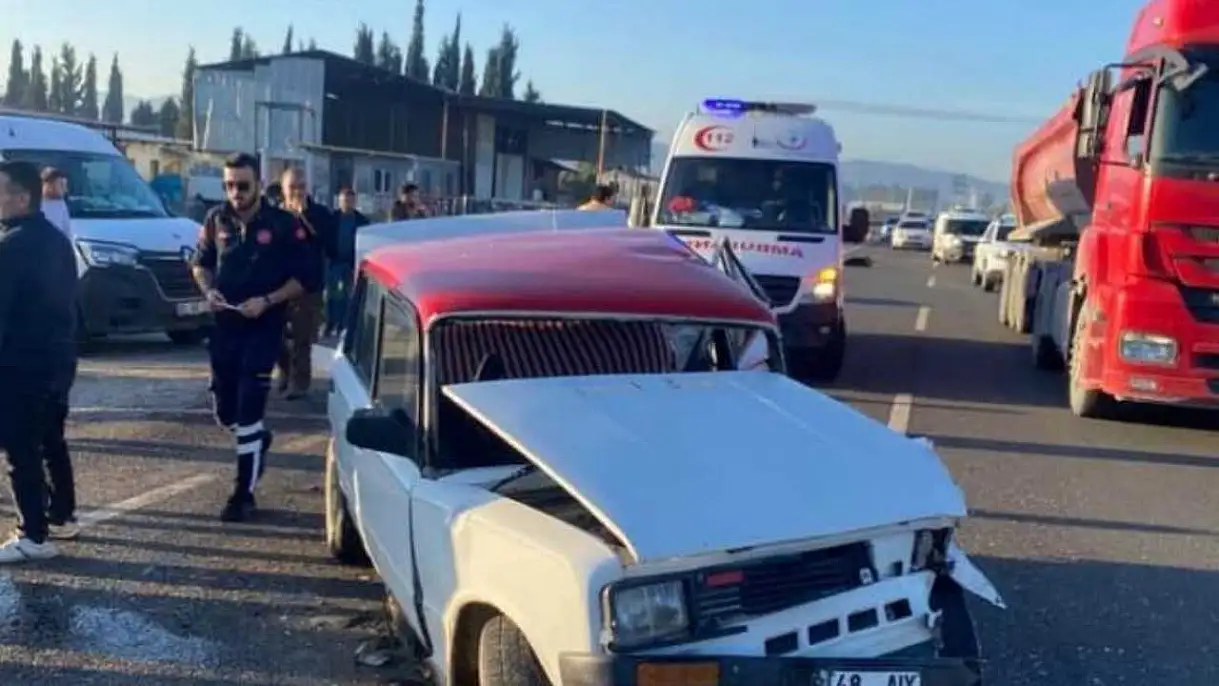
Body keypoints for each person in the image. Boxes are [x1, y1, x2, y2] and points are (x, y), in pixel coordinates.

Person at [190, 153, 314, 522]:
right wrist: (208, 291)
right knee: (226, 411)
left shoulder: (284, 225)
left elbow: (306, 278)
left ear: (259, 184)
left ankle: (243, 494)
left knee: (248, 410)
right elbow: (200, 264)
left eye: (242, 185)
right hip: (224, 327)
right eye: (228, 185)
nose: (235, 192)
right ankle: (258, 440)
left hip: (264, 329)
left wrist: (267, 301)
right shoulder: (216, 219)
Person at [0, 160, 79, 562]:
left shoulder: (11, 246)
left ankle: (33, 534)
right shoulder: (56, 240)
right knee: (49, 439)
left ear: (21, 197)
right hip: (58, 358)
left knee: (20, 448)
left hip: (21, 363)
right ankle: (61, 514)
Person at [276, 167, 335, 399]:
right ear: (283, 189)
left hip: (308, 287)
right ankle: (285, 372)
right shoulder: (275, 214)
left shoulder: (320, 214)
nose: (297, 192)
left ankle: (300, 383)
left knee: (303, 338)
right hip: (278, 286)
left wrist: (304, 218)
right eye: (292, 187)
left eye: (301, 187)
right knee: (276, 336)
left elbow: (329, 244)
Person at [326, 186, 369, 337]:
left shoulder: (361, 221)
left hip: (352, 263)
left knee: (347, 295)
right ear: (339, 201)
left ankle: (343, 325)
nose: (347, 204)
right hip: (334, 262)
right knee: (332, 294)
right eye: (344, 201)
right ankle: (330, 322)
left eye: (350, 201)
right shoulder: (332, 219)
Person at [40, 167, 72, 237]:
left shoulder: (61, 204)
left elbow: (66, 229)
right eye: (60, 185)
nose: (64, 189)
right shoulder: (36, 203)